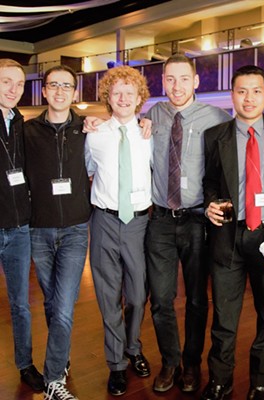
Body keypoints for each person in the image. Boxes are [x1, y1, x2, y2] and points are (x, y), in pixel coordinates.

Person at [201, 65, 264, 400]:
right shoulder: (216, 136)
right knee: (224, 317)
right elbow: (209, 182)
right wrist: (211, 202)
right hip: (228, 234)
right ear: (232, 96)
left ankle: (260, 382)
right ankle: (220, 381)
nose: (249, 98)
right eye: (242, 91)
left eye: (256, 91)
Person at [145, 53, 232, 394]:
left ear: (196, 81)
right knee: (161, 299)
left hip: (198, 221)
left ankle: (192, 362)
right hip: (161, 221)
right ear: (162, 81)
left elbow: (242, 138)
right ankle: (170, 362)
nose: (176, 86)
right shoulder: (153, 114)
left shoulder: (216, 117)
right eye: (170, 79)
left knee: (197, 298)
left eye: (183, 79)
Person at [24, 65, 92, 400]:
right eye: (54, 85)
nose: (61, 91)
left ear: (75, 93)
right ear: (45, 92)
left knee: (64, 306)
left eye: (67, 86)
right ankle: (60, 360)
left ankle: (53, 381)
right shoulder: (27, 131)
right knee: (52, 303)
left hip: (76, 230)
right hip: (39, 229)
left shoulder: (89, 127)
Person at [85, 65, 151, 396]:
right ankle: (117, 364)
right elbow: (82, 170)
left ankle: (133, 345)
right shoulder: (93, 134)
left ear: (140, 98)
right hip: (105, 221)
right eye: (116, 92)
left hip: (140, 222)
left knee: (138, 296)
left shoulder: (150, 133)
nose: (123, 98)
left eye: (130, 92)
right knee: (108, 297)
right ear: (107, 97)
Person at [0, 58, 44, 393]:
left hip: (18, 230)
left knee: (20, 304)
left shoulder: (20, 122)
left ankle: (25, 364)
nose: (14, 90)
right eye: (6, 82)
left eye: (19, 84)